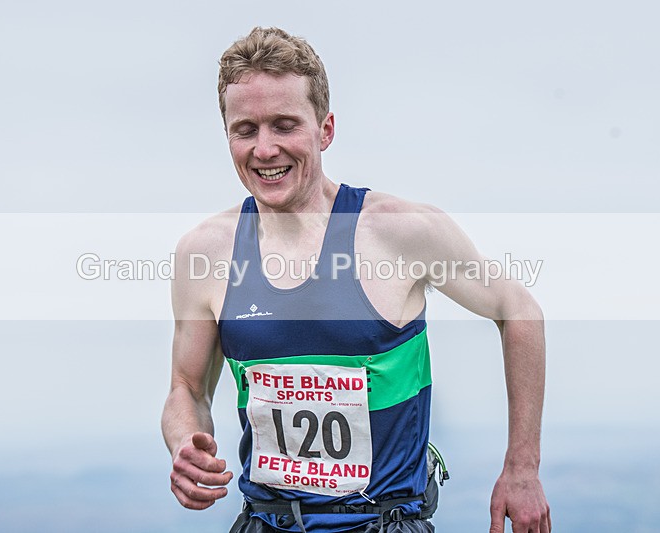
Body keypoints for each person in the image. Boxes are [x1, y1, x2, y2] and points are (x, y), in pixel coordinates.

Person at [162, 26, 551, 533]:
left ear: (325, 129)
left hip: (383, 523)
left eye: (285, 125)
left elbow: (518, 310)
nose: (265, 149)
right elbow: (187, 387)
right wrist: (186, 443)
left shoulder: (400, 232)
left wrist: (522, 469)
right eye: (246, 130)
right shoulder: (205, 252)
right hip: (265, 522)